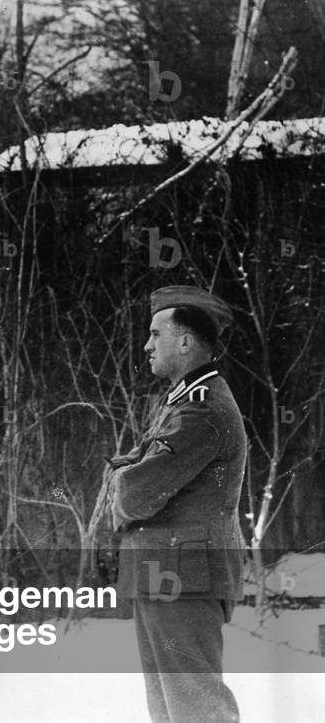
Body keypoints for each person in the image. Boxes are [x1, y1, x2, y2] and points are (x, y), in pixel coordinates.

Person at [109, 285, 246, 723]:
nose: (146, 346)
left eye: (155, 334)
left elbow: (136, 491)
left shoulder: (201, 410)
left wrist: (121, 479)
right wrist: (128, 473)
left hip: (183, 578)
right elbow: (139, 469)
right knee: (173, 711)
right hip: (169, 575)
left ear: (185, 342)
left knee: (197, 710)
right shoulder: (184, 401)